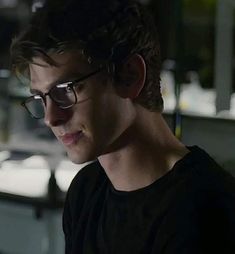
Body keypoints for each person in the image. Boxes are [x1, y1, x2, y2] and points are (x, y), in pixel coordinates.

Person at [10, 0, 235, 253]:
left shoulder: (203, 211)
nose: (51, 118)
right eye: (41, 97)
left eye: (66, 90)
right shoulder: (86, 190)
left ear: (130, 76)